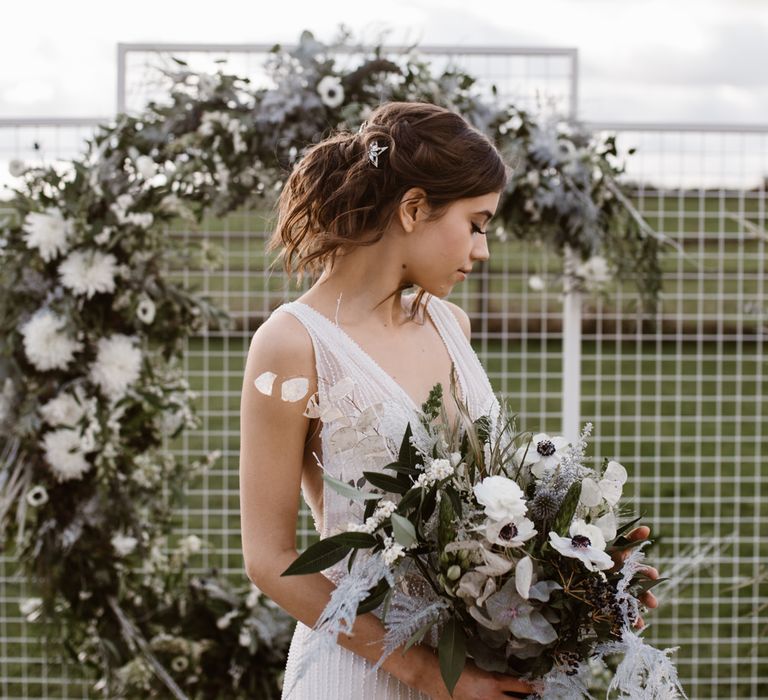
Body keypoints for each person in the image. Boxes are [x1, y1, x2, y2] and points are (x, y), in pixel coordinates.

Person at [239, 101, 658, 700]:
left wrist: (589, 583)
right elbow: (269, 558)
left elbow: (483, 507)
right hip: (362, 672)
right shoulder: (292, 344)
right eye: (477, 223)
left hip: (476, 671)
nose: (483, 250)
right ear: (414, 208)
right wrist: (424, 673)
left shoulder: (449, 324)